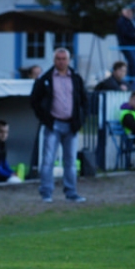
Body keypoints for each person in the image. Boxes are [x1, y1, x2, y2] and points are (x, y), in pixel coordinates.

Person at [30, 47, 88, 202]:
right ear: (54, 60)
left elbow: (84, 100)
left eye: (64, 59)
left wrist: (81, 119)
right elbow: (34, 100)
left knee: (70, 161)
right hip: (53, 124)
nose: (61, 62)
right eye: (58, 59)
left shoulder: (75, 77)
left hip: (71, 125)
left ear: (69, 60)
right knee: (48, 160)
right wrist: (45, 118)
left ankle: (71, 192)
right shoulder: (46, 78)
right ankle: (46, 192)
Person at [116, 7, 135, 77]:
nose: (130, 13)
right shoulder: (121, 21)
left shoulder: (129, 21)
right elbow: (125, 33)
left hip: (132, 46)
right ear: (124, 12)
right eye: (128, 12)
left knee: (133, 64)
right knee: (133, 63)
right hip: (126, 46)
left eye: (131, 12)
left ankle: (132, 79)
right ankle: (131, 80)